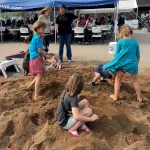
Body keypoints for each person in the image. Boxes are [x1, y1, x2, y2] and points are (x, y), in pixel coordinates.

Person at [103, 25, 143, 102]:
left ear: (122, 33)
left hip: (123, 64)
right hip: (133, 63)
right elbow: (138, 56)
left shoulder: (120, 42)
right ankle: (140, 97)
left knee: (117, 79)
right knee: (135, 81)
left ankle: (115, 96)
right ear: (131, 32)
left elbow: (116, 55)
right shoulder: (135, 42)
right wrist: (136, 64)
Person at [27, 21, 53, 100]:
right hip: (36, 58)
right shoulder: (38, 38)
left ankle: (30, 86)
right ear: (37, 29)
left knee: (38, 75)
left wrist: (47, 53)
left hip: (33, 58)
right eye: (42, 29)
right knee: (39, 76)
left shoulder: (35, 36)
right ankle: (36, 96)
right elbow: (39, 50)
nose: (44, 30)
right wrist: (46, 57)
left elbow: (40, 49)